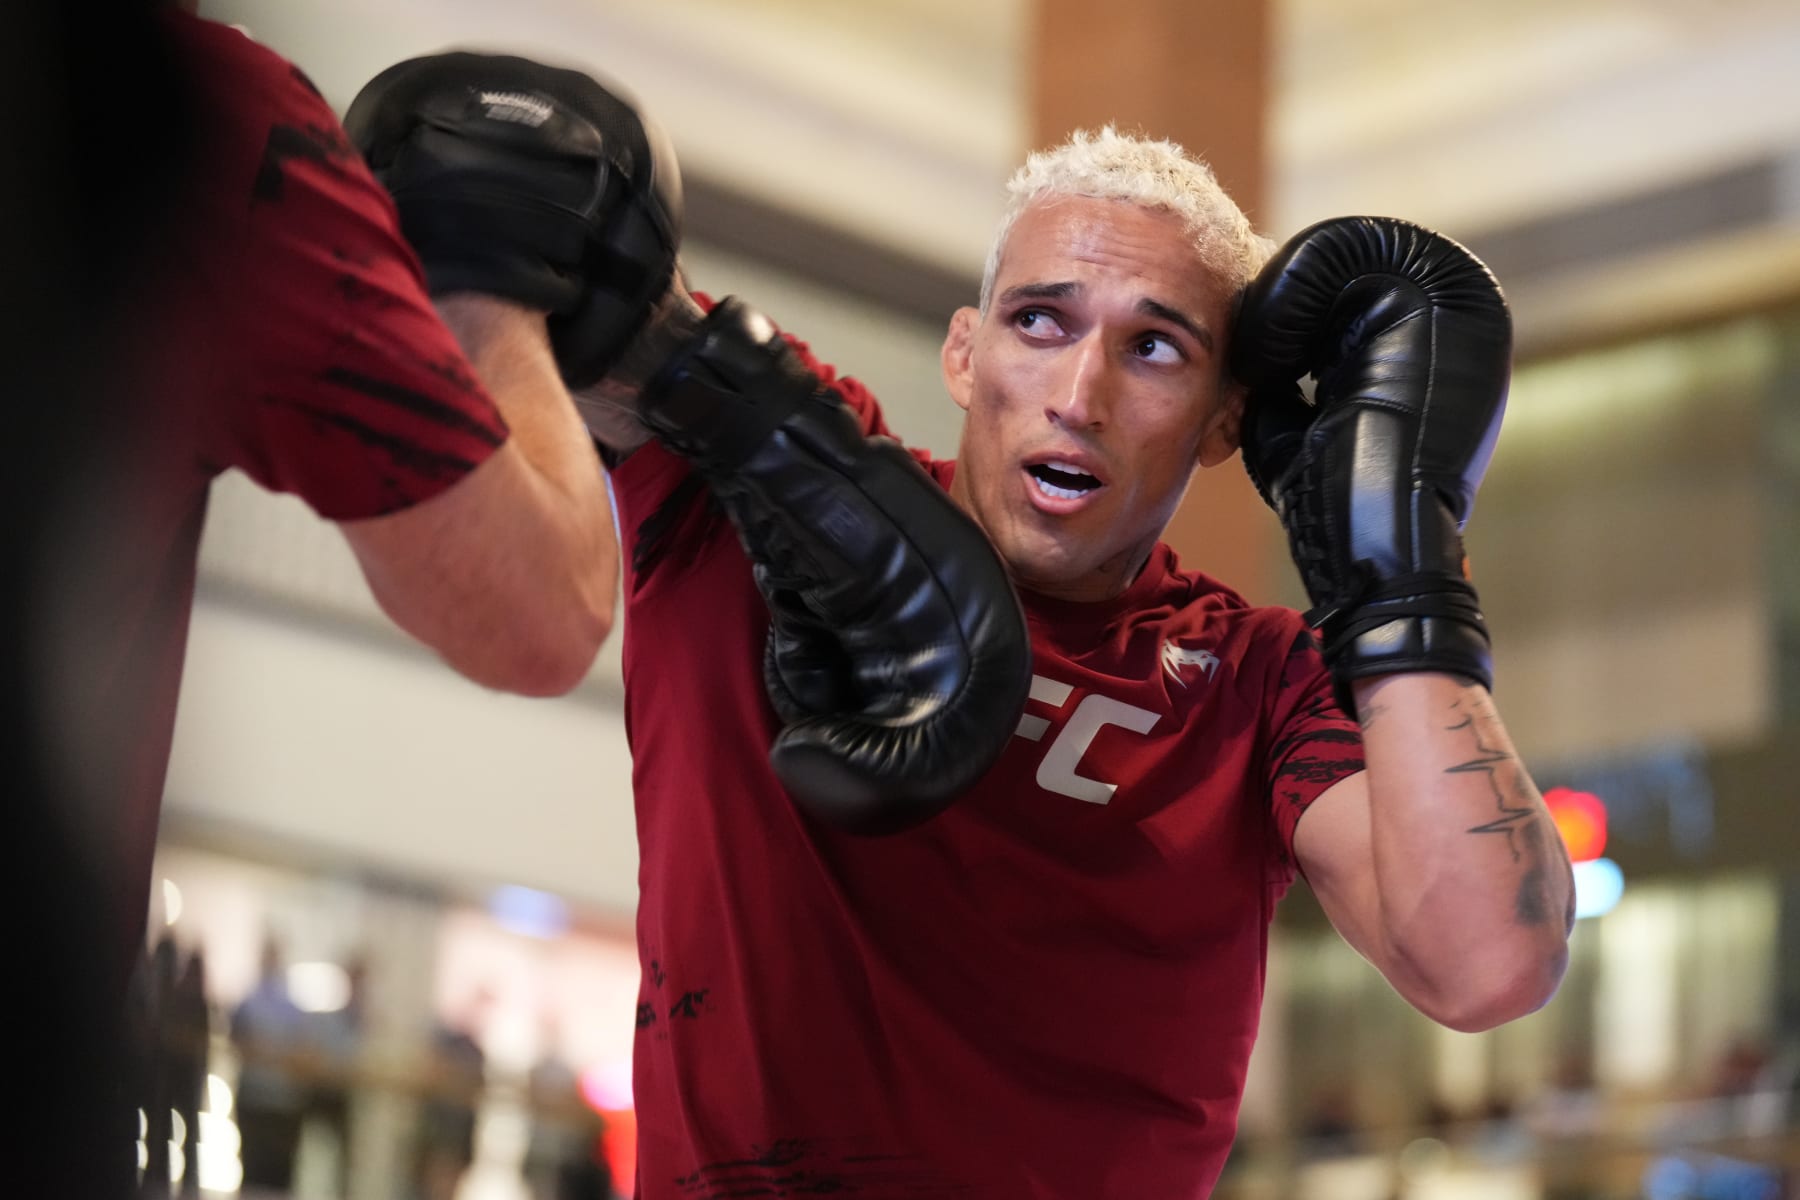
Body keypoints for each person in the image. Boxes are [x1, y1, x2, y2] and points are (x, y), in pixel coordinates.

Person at [354, 55, 1576, 1199]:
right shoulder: (773, 487)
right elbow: (545, 253)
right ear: (964, 349)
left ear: (1221, 421)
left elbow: (1486, 964)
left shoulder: (1258, 682)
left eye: (1154, 348)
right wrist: (525, 225)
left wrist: (1396, 564)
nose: (1081, 394)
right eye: (1040, 321)